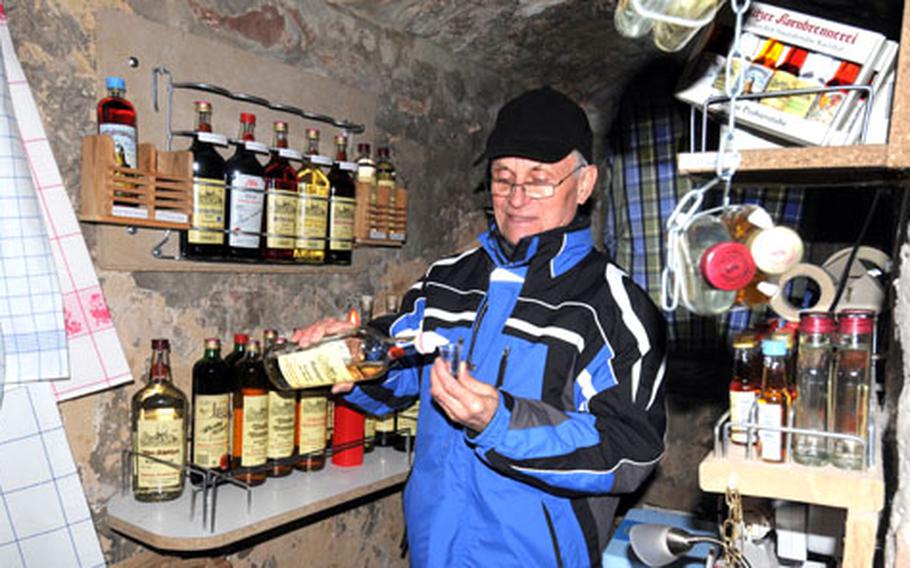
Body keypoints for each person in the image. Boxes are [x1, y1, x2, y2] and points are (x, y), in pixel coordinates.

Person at [293, 86, 667, 567]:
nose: (515, 198)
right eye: (502, 178)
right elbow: (399, 373)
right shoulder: (447, 279)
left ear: (585, 183)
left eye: (538, 180)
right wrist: (350, 359)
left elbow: (631, 451)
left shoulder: (614, 307)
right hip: (436, 549)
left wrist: (501, 423)